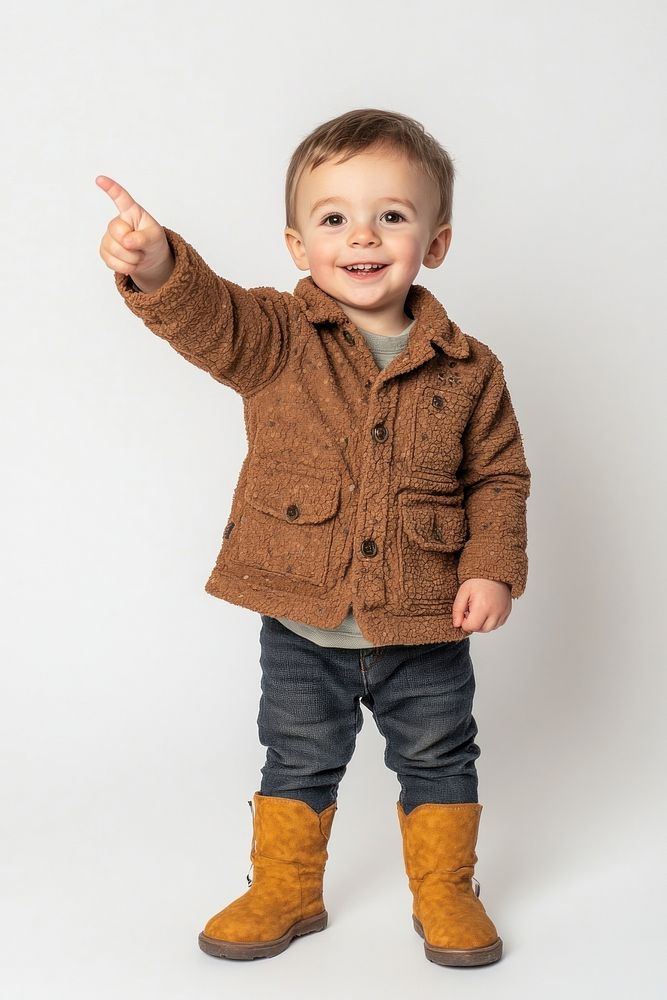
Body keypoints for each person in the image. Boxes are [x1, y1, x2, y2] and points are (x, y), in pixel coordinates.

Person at [96, 107, 531, 968]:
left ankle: (445, 888)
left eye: (392, 217)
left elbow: (499, 478)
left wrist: (492, 568)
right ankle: (286, 887)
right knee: (296, 753)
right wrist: (157, 267)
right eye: (333, 218)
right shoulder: (276, 338)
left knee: (440, 754)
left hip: (424, 622)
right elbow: (207, 317)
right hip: (303, 625)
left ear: (434, 243)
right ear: (298, 245)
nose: (361, 236)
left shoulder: (470, 367)